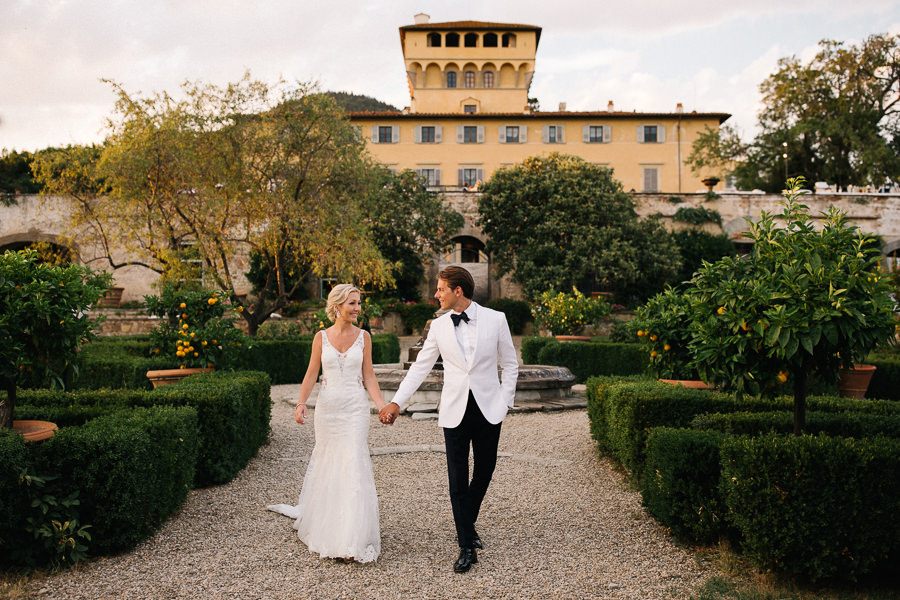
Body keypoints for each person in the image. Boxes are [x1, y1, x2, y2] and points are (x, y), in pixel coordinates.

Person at [379, 266, 518, 573]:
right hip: (454, 409)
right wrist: (396, 401)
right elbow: (419, 368)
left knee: (484, 471)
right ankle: (466, 544)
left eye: (441, 288)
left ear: (458, 291)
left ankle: (466, 524)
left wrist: (504, 401)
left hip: (488, 408)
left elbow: (510, 365)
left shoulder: (496, 319)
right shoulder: (439, 326)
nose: (435, 294)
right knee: (457, 480)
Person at [267, 284, 388, 563]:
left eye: (359, 303)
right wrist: (300, 403)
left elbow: (369, 376)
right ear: (337, 307)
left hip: (355, 410)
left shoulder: (365, 337)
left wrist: (381, 405)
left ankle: (351, 537)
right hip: (328, 410)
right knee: (329, 462)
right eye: (353, 304)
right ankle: (329, 528)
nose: (358, 308)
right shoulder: (320, 338)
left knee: (353, 462)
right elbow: (311, 374)